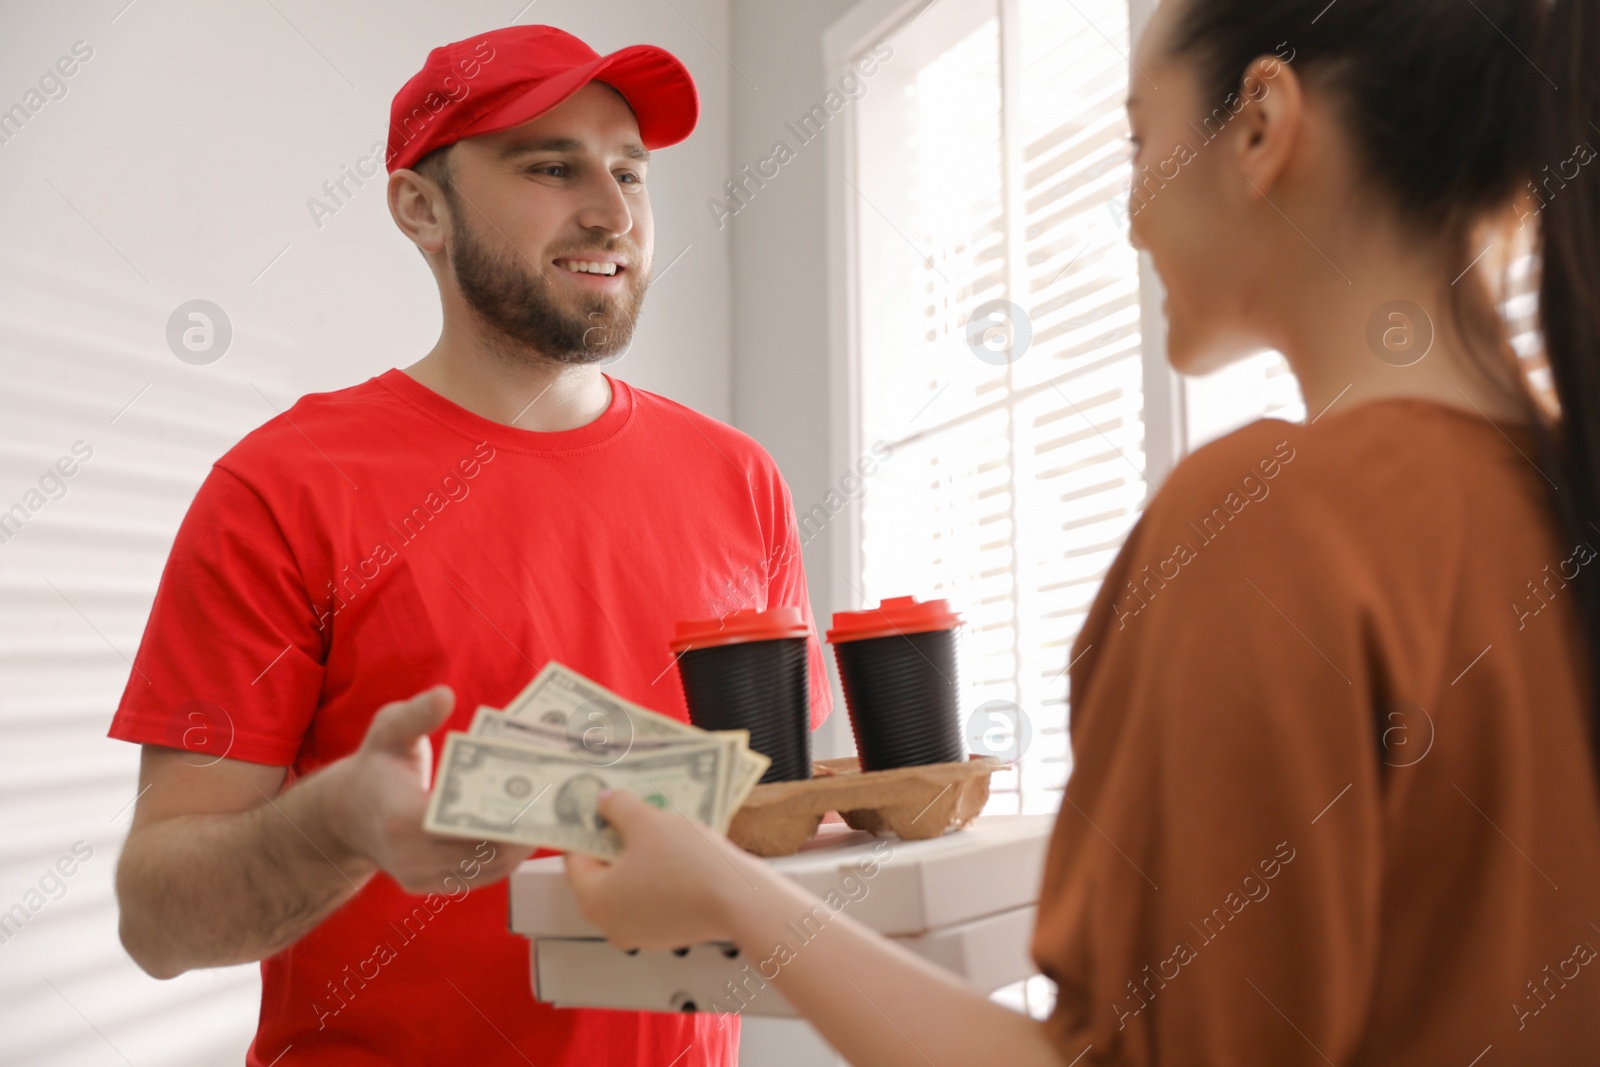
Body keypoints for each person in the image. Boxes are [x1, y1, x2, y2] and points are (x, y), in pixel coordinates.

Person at [565, 0, 1600, 1062]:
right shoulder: (1550, 497)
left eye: (1139, 141)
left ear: (1259, 126)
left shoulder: (1265, 528)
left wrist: (725, 889)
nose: (1134, 214)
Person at [108, 24, 830, 1067]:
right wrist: (336, 826)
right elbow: (157, 921)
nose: (613, 212)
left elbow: (772, 826)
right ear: (420, 207)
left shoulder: (740, 479)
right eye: (552, 166)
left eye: (630, 172)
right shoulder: (281, 486)